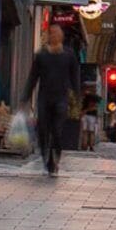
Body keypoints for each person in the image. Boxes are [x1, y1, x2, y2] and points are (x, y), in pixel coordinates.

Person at [26, 23, 85, 177]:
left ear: (61, 36)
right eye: (51, 33)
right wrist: (25, 97)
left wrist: (77, 97)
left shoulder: (69, 55)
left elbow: (75, 77)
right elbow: (33, 77)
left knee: (58, 131)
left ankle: (55, 160)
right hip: (44, 98)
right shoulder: (41, 55)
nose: (54, 36)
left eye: (57, 33)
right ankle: (45, 156)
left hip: (61, 98)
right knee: (43, 130)